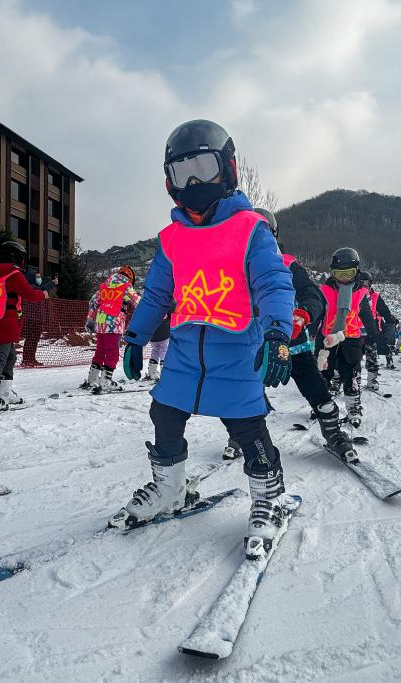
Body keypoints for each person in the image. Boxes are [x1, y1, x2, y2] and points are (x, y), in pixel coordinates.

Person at [114, 120, 295, 558]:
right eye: (181, 172)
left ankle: (269, 497)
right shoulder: (172, 238)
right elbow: (157, 292)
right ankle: (169, 489)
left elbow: (274, 283)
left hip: (236, 351)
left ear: (227, 168)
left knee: (246, 428)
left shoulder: (251, 229)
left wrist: (278, 333)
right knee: (165, 414)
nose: (193, 181)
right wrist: (135, 337)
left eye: (202, 167)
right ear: (169, 182)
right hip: (183, 353)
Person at [261, 209, 356, 463]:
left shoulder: (287, 264)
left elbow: (312, 295)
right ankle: (241, 435)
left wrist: (302, 314)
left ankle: (334, 433)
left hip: (294, 342)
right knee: (245, 393)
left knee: (317, 391)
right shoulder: (237, 264)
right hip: (259, 344)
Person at [0, 241, 47, 410]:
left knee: (10, 356)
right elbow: (29, 293)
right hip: (7, 320)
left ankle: (4, 392)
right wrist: (42, 294)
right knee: (0, 356)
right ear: (15, 258)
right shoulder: (13, 275)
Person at [317, 248, 379, 427]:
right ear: (332, 272)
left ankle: (353, 407)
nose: (344, 278)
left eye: (348, 273)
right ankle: (322, 405)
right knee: (323, 372)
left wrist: (374, 336)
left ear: (357, 271)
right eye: (339, 273)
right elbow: (319, 313)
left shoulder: (360, 293)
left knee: (351, 373)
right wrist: (311, 332)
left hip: (350, 339)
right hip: (327, 339)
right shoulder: (325, 291)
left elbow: (367, 316)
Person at [82, 265, 139, 393]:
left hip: (101, 322)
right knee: (112, 352)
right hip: (114, 323)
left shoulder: (105, 285)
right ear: (130, 277)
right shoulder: (126, 286)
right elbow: (137, 302)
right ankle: (106, 381)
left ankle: (92, 379)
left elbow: (93, 301)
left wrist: (90, 319)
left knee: (100, 351)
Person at [20, 270, 56, 367]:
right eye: (37, 277)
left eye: (40, 277)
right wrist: (52, 283)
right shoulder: (31, 287)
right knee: (31, 339)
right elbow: (42, 289)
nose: (39, 279)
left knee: (34, 340)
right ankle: (27, 359)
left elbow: (42, 290)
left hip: (38, 318)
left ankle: (31, 358)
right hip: (32, 318)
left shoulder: (38, 288)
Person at [146, 300, 174, 381]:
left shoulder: (151, 302)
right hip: (165, 333)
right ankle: (164, 373)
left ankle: (151, 372)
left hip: (153, 334)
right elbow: (174, 309)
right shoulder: (169, 302)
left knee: (155, 351)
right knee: (164, 351)